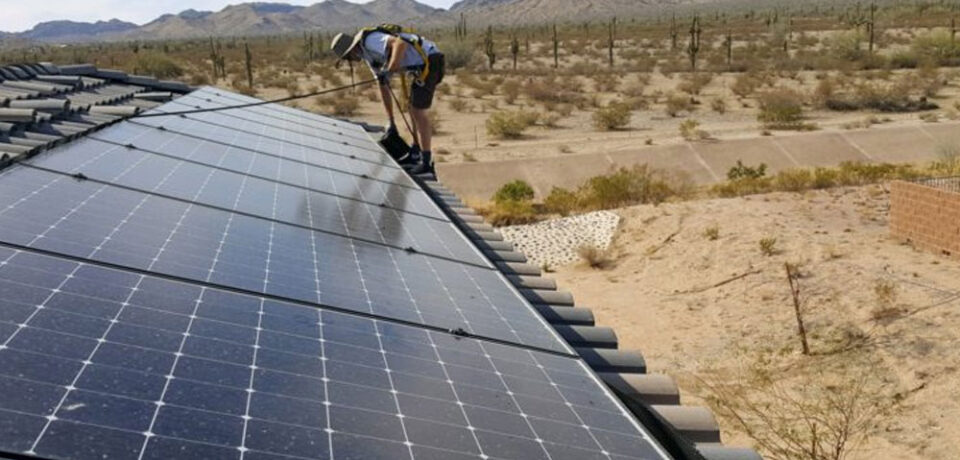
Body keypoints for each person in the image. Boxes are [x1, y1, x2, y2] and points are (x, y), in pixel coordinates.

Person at [331, 27, 445, 175]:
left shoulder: (370, 41)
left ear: (352, 48)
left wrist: (389, 70)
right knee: (411, 107)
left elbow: (399, 44)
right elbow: (383, 85)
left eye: (348, 57)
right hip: (421, 65)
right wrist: (391, 122)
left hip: (431, 59)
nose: (350, 60)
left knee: (417, 110)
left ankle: (426, 163)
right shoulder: (369, 57)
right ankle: (416, 152)